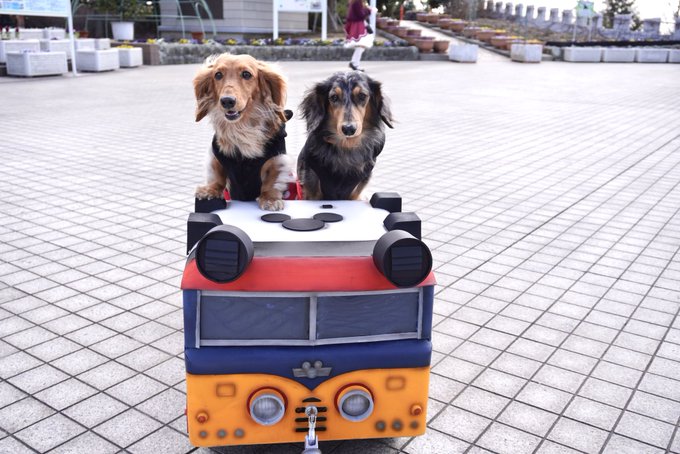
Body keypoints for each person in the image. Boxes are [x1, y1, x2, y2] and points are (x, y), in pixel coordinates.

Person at [344, 0, 376, 71]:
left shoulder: (355, 2)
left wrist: (367, 9)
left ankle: (354, 63)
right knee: (362, 44)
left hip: (358, 24)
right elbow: (361, 15)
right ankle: (354, 63)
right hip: (358, 25)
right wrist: (369, 10)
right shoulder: (357, 1)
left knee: (361, 44)